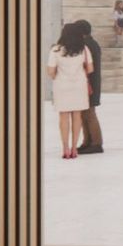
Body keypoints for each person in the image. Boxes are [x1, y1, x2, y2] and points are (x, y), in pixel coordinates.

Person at [47, 21, 93, 160]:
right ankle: (74, 148)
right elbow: (90, 69)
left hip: (62, 86)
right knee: (77, 116)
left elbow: (50, 71)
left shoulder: (55, 50)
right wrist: (79, 73)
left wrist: (58, 76)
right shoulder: (83, 49)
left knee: (63, 117)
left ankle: (65, 149)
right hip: (79, 86)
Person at [76, 19, 105, 155]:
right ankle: (87, 142)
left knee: (89, 113)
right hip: (91, 83)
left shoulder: (87, 45)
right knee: (85, 113)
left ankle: (96, 143)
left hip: (89, 84)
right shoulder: (91, 43)